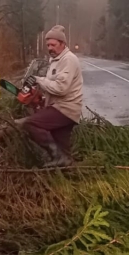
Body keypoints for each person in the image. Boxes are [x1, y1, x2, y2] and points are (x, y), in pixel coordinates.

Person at [22, 25, 83, 168]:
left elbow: (61, 88)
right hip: (62, 108)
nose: (50, 48)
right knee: (64, 152)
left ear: (63, 44)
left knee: (31, 124)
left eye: (53, 45)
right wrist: (41, 98)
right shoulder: (55, 60)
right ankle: (66, 172)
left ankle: (56, 156)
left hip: (65, 108)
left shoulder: (68, 60)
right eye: (48, 45)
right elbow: (54, 85)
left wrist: (38, 80)